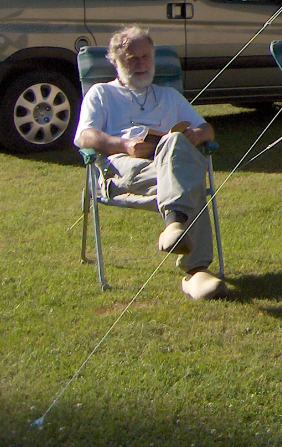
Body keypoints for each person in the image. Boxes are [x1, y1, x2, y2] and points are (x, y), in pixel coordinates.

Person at [74, 26, 227, 300]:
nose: (141, 64)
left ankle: (176, 230)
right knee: (188, 180)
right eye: (132, 58)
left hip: (164, 166)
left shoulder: (169, 96)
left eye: (145, 56)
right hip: (122, 167)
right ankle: (195, 270)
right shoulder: (101, 94)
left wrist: (194, 135)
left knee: (175, 144)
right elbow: (85, 136)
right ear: (116, 62)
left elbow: (208, 130)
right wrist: (124, 145)